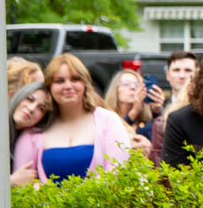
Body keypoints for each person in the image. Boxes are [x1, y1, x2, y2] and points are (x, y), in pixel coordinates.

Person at [12, 54, 135, 183]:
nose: (68, 86)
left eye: (75, 79)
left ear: (85, 83)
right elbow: (23, 186)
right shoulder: (34, 131)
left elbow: (118, 174)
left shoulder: (108, 121)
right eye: (60, 81)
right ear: (49, 87)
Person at [9, 82, 53, 184]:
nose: (31, 108)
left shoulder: (29, 141)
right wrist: (11, 181)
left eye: (41, 108)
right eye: (29, 99)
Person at [104, 68, 155, 156]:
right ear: (116, 90)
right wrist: (134, 112)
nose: (132, 87)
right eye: (126, 84)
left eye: (136, 85)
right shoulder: (105, 118)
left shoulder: (147, 124)